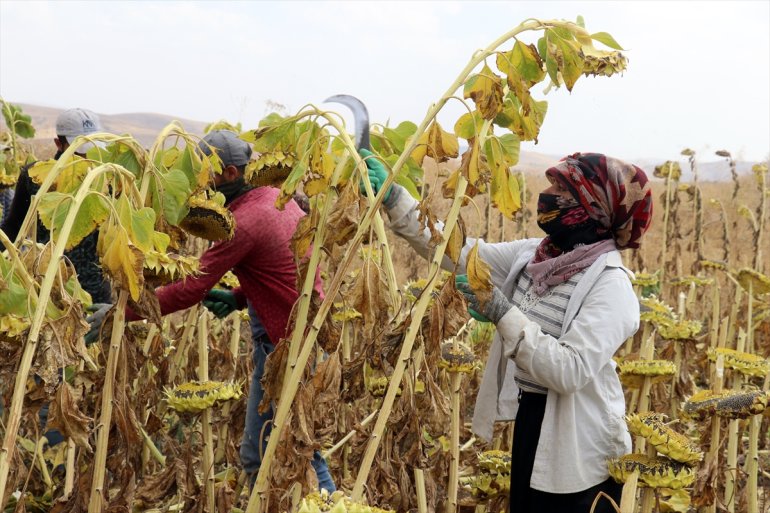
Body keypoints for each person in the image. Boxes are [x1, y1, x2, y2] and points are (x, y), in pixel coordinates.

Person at [362, 150, 652, 513]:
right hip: (532, 418)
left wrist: (502, 311)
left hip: (580, 441)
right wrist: (397, 199)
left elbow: (568, 370)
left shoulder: (612, 287)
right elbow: (458, 251)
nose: (546, 195)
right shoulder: (535, 256)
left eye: (561, 189)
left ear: (592, 208)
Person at [88, 130, 335, 492]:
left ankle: (325, 502)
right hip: (301, 338)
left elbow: (191, 287)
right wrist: (238, 296)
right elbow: (288, 269)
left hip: (284, 349)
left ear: (231, 174)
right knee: (283, 451)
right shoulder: (278, 199)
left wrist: (121, 312)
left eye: (207, 175)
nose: (201, 185)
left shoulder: (243, 224)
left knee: (289, 455)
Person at [1, 108, 111, 304]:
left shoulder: (108, 179)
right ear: (58, 143)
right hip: (45, 289)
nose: (87, 153)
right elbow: (14, 226)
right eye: (78, 145)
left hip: (95, 295)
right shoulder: (36, 176)